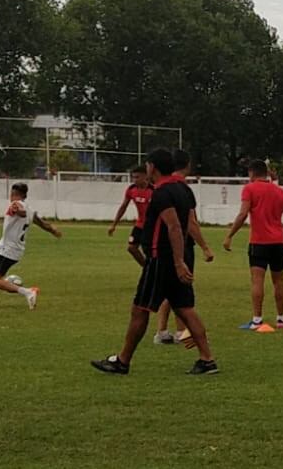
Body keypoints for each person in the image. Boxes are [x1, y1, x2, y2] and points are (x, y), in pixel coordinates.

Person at [91, 149, 218, 375]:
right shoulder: (184, 189)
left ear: (152, 167)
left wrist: (178, 262)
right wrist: (188, 256)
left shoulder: (162, 193)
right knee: (186, 309)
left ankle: (122, 361)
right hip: (177, 257)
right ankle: (207, 359)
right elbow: (190, 222)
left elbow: (175, 227)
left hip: (162, 259)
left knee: (140, 309)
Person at [222, 160, 283, 330]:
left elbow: (243, 214)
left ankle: (257, 320)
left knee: (257, 280)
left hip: (259, 242)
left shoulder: (250, 189)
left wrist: (229, 235)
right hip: (278, 242)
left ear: (252, 173)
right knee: (278, 281)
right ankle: (281, 319)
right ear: (266, 173)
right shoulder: (280, 191)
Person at [153, 150, 214, 343]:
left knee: (168, 289)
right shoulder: (182, 188)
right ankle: (182, 332)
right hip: (181, 246)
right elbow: (190, 222)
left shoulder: (164, 186)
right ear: (188, 165)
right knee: (181, 291)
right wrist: (205, 246)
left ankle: (162, 331)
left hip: (163, 246)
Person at [109, 167, 154, 266]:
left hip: (151, 226)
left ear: (145, 176)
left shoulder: (153, 190)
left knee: (150, 251)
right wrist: (114, 225)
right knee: (132, 248)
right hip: (140, 224)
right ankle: (147, 268)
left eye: (137, 177)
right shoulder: (131, 189)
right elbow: (123, 206)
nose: (135, 180)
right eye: (133, 177)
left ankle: (152, 270)